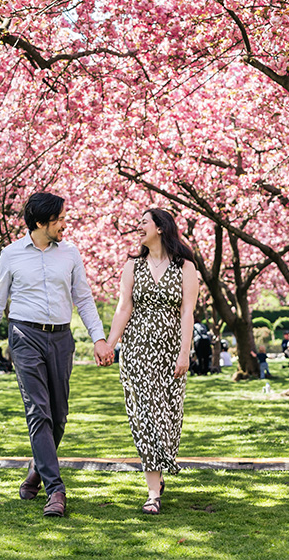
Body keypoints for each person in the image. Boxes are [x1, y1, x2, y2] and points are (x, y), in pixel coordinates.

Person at [0, 192, 114, 519]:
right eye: (59, 220)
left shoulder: (70, 253)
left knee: (59, 415)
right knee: (38, 411)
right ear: (40, 223)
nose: (65, 224)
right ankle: (56, 490)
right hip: (24, 335)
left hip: (62, 338)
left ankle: (37, 469)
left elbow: (84, 298)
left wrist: (99, 338)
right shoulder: (11, 255)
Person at [107, 208, 199, 515]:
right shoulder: (132, 266)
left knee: (167, 418)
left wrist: (185, 352)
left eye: (144, 222)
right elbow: (123, 308)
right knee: (144, 417)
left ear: (160, 228)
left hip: (171, 352)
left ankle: (159, 473)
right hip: (136, 352)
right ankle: (152, 492)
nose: (138, 227)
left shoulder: (185, 266)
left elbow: (188, 312)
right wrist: (110, 344)